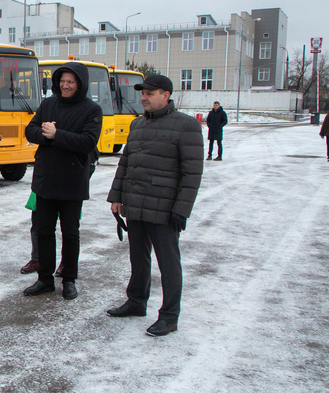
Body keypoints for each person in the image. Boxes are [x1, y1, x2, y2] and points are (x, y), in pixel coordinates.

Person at [106, 74, 204, 337]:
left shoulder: (186, 126)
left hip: (165, 210)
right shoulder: (137, 125)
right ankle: (136, 301)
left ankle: (170, 316)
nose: (144, 97)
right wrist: (116, 196)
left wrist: (181, 210)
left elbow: (192, 173)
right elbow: (125, 163)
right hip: (135, 204)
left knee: (168, 264)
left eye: (150, 93)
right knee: (138, 258)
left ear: (166, 95)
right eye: (143, 93)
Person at [22, 62, 102, 301]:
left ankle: (69, 279)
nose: (65, 86)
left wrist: (57, 135)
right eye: (62, 81)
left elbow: (88, 142)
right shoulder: (48, 104)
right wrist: (47, 137)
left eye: (70, 82)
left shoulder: (91, 110)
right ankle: (45, 279)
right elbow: (30, 131)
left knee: (70, 234)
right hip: (46, 179)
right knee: (44, 232)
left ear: (80, 84)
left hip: (72, 181)